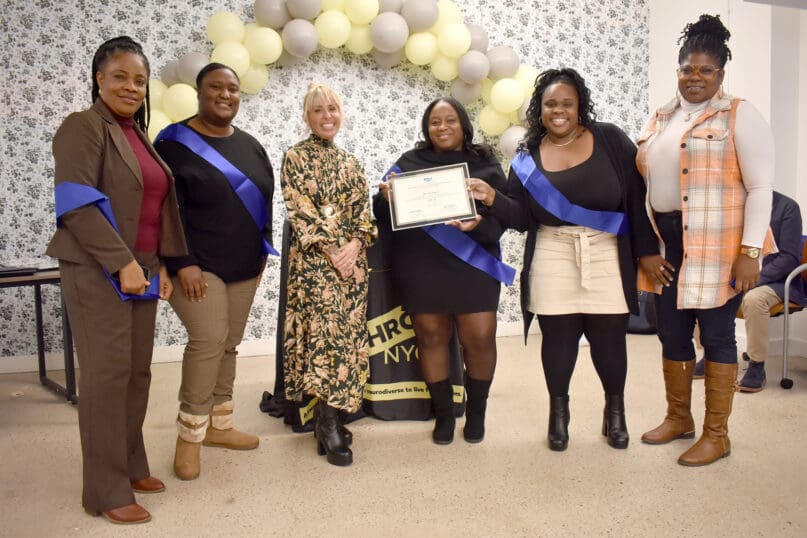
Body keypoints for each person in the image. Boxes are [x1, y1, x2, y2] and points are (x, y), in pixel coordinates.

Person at [469, 68, 659, 451]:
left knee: (609, 338)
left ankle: (615, 411)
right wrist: (491, 197)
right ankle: (559, 413)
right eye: (550, 104)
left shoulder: (610, 139)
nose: (558, 111)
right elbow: (522, 217)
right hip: (553, 251)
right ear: (539, 109)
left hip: (606, 250)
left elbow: (636, 201)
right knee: (558, 337)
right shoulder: (526, 157)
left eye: (566, 104)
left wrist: (648, 252)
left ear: (579, 106)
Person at [46, 36, 187, 524]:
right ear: (99, 78)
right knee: (106, 379)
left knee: (136, 375)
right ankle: (104, 492)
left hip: (144, 269)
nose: (132, 87)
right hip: (96, 269)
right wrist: (121, 262)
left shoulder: (136, 132)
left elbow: (154, 207)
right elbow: (76, 204)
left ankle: (130, 466)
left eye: (140, 80)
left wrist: (161, 264)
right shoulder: (82, 127)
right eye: (121, 76)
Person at [636, 14, 774, 466]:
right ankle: (680, 418)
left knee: (716, 336)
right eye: (687, 69)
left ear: (720, 74)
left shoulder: (739, 113)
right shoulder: (662, 116)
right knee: (672, 332)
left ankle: (718, 434)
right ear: (677, 71)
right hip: (669, 242)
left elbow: (760, 188)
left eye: (705, 70)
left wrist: (750, 251)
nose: (695, 78)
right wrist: (650, 248)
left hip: (719, 245)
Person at [153, 63, 275, 480]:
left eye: (233, 89)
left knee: (229, 343)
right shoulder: (172, 144)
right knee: (208, 340)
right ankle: (189, 437)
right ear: (199, 92)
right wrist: (181, 262)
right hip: (196, 264)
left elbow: (265, 202)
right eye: (216, 88)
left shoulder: (251, 146)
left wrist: (262, 252)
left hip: (243, 263)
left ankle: (219, 427)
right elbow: (163, 210)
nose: (226, 95)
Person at [373, 97, 509, 445]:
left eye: (450, 120)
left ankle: (476, 413)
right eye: (435, 122)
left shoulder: (485, 162)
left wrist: (477, 224)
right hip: (422, 265)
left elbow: (504, 215)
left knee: (478, 338)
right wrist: (386, 197)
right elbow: (381, 209)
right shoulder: (408, 162)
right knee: (431, 337)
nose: (442, 127)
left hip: (473, 264)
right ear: (426, 128)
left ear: (463, 125)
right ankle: (444, 415)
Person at [280, 83, 377, 466]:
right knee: (326, 339)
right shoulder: (295, 157)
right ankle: (329, 424)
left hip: (352, 266)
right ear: (307, 116)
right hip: (315, 263)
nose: (327, 116)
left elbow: (362, 215)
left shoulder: (352, 162)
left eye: (333, 109)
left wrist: (353, 247)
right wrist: (334, 251)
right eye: (318, 110)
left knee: (349, 339)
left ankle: (330, 416)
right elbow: (299, 211)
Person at [692, 192, 804, 391]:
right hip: (735, 276)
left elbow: (789, 258)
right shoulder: (731, 203)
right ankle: (709, 354)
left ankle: (756, 365)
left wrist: (753, 278)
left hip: (776, 281)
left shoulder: (787, 208)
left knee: (753, 299)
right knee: (703, 289)